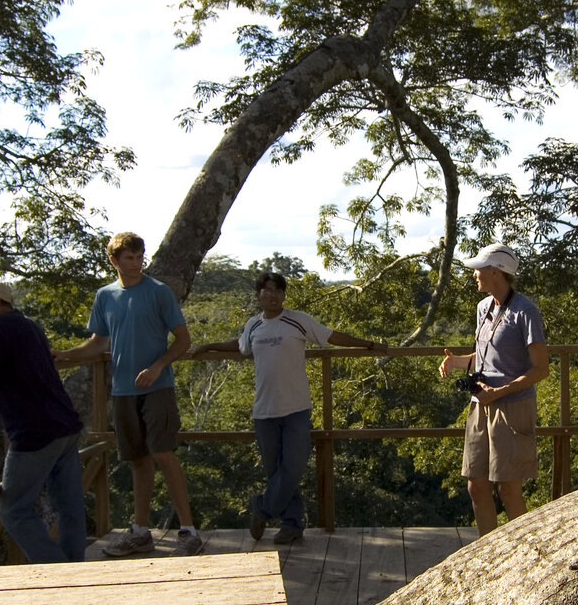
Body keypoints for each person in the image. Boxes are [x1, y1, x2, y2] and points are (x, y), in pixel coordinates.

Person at [192, 272, 386, 545]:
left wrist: (367, 343)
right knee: (277, 473)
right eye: (267, 290)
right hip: (264, 411)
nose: (272, 295)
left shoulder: (298, 320)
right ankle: (292, 524)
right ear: (259, 295)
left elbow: (330, 336)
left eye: (278, 291)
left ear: (284, 295)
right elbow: (240, 348)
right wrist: (208, 346)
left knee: (293, 467)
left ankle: (261, 507)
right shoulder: (253, 326)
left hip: (295, 408)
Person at [54, 232, 201, 556]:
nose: (135, 263)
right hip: (122, 390)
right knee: (137, 459)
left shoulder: (159, 293)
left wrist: (158, 366)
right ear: (114, 260)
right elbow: (98, 342)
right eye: (129, 258)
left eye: (139, 257)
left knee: (163, 453)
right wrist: (65, 355)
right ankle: (140, 531)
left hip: (157, 387)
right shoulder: (105, 296)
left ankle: (188, 531)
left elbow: (182, 340)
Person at [0, 279, 86, 563]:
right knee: (69, 506)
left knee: (12, 509)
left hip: (35, 432)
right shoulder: (28, 325)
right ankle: (75, 566)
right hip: (65, 424)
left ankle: (58, 570)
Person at [438, 244, 549, 535]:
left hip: (511, 407)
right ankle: (488, 551)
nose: (475, 274)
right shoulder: (483, 308)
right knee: (476, 485)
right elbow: (485, 356)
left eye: (479, 269)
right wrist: (457, 362)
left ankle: (525, 551)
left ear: (496, 272)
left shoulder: (526, 311)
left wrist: (499, 393)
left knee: (508, 489)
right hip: (481, 403)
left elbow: (540, 368)